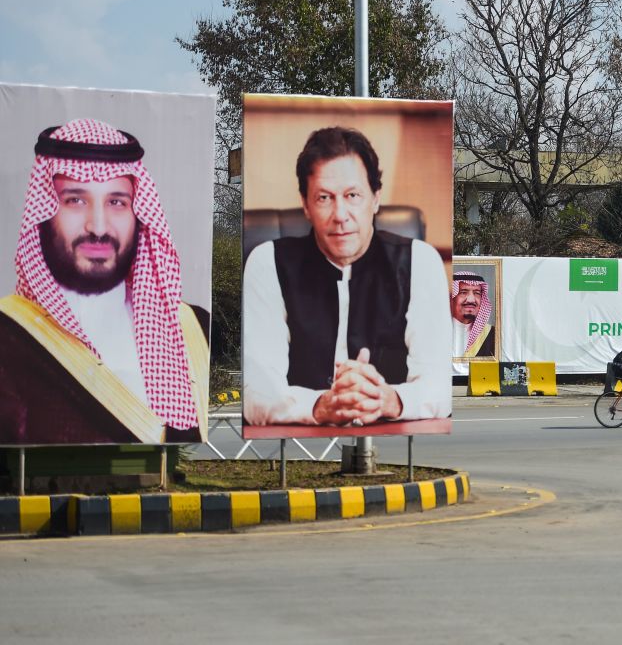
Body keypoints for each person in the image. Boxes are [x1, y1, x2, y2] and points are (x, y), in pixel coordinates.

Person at [0, 119, 209, 445]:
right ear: (43, 214)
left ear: (138, 214)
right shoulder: (7, 334)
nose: (98, 226)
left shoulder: (193, 327)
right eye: (75, 200)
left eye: (116, 202)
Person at [243, 126, 450, 425]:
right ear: (305, 204)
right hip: (306, 446)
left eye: (352, 195)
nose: (340, 215)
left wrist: (389, 399)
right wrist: (320, 406)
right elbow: (256, 393)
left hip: (388, 440)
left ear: (375, 199)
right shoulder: (267, 263)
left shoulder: (420, 261)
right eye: (324, 198)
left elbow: (439, 386)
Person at [451, 270, 495, 358]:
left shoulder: (493, 334)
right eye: (463, 292)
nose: (471, 300)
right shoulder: (436, 332)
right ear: (451, 298)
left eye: (477, 293)